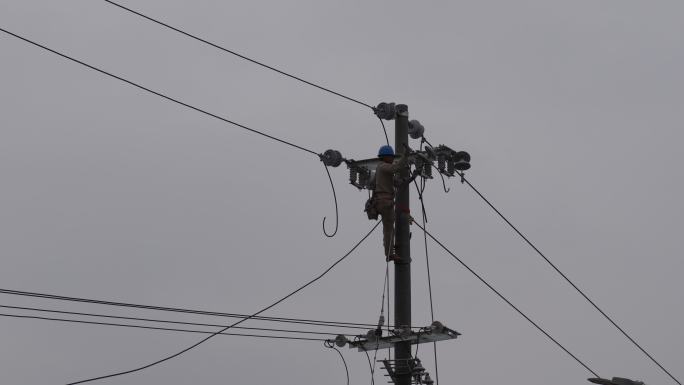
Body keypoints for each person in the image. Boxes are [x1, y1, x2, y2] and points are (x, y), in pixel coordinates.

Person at [373, 145, 409, 261]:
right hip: (385, 202)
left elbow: (393, 181)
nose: (393, 159)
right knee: (388, 229)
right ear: (386, 157)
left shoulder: (381, 169)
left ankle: (390, 248)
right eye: (391, 157)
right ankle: (389, 253)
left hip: (382, 201)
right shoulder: (383, 166)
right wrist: (406, 156)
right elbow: (396, 168)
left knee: (389, 228)